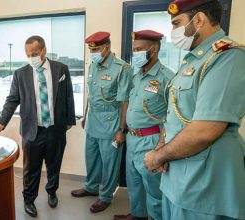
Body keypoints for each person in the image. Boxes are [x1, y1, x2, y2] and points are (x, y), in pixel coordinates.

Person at [144, 0, 245, 219]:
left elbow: (205, 130)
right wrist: (162, 144)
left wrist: (158, 156)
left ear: (198, 20)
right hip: (177, 179)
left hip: (204, 185)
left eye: (176, 23)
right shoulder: (193, 60)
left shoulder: (227, 56)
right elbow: (175, 114)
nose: (173, 32)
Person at [0, 35, 76, 218]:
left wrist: (69, 120)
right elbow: (12, 100)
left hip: (55, 129)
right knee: (31, 169)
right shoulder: (20, 74)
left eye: (35, 53)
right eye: (28, 54)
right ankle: (29, 200)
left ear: (44, 50)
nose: (31, 58)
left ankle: (52, 192)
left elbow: (68, 95)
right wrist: (1, 122)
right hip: (32, 130)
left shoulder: (61, 69)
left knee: (54, 165)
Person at [114, 30, 174, 220]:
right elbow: (129, 104)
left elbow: (173, 116)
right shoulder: (136, 75)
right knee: (134, 184)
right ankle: (138, 215)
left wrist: (162, 146)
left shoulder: (167, 78)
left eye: (139, 49)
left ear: (154, 49)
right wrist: (123, 130)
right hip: (132, 138)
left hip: (151, 141)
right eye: (134, 50)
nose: (135, 54)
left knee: (154, 190)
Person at [71, 31, 133, 213]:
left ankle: (106, 196)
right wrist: (85, 115)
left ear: (106, 47)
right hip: (92, 120)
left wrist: (122, 129)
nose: (93, 53)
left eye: (96, 49)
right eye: (91, 50)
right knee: (92, 158)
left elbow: (125, 102)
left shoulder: (122, 68)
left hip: (111, 122)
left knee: (110, 162)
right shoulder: (93, 66)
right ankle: (91, 187)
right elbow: (91, 95)